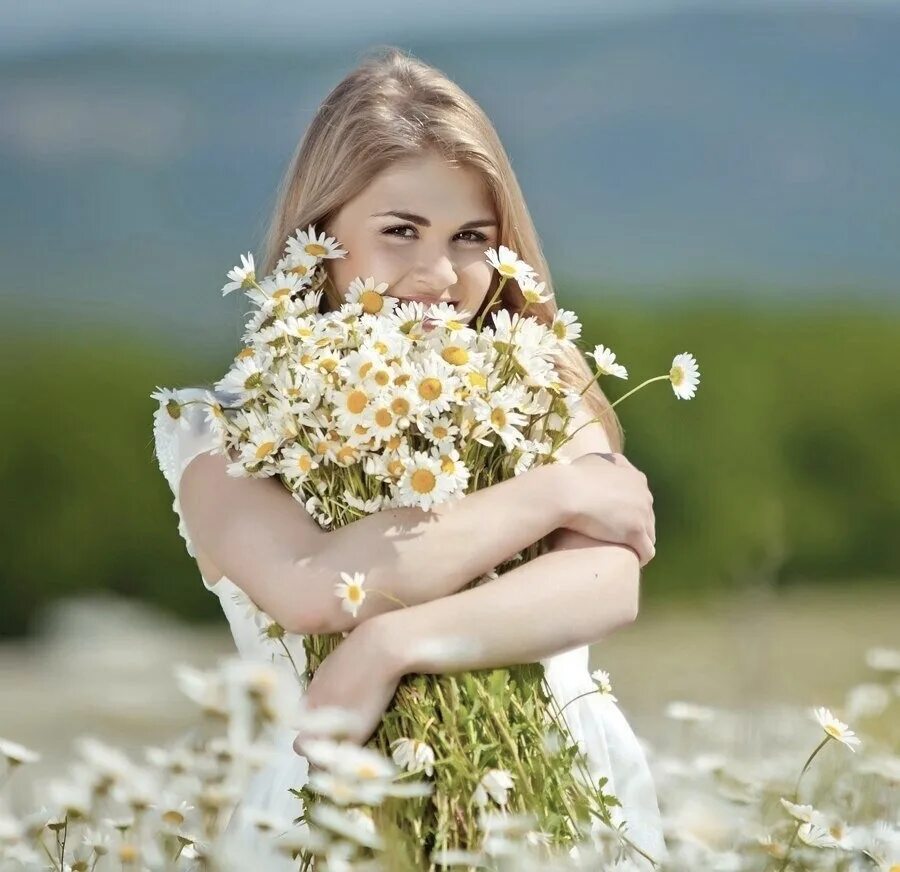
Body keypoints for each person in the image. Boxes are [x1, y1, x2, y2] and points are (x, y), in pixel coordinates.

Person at [152, 46, 667, 867]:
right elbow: (317, 589)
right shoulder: (224, 425)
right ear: (322, 236)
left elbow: (605, 583)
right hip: (326, 810)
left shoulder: (538, 379)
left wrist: (392, 647)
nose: (438, 273)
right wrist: (555, 492)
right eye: (400, 231)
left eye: (471, 236)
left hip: (559, 806)